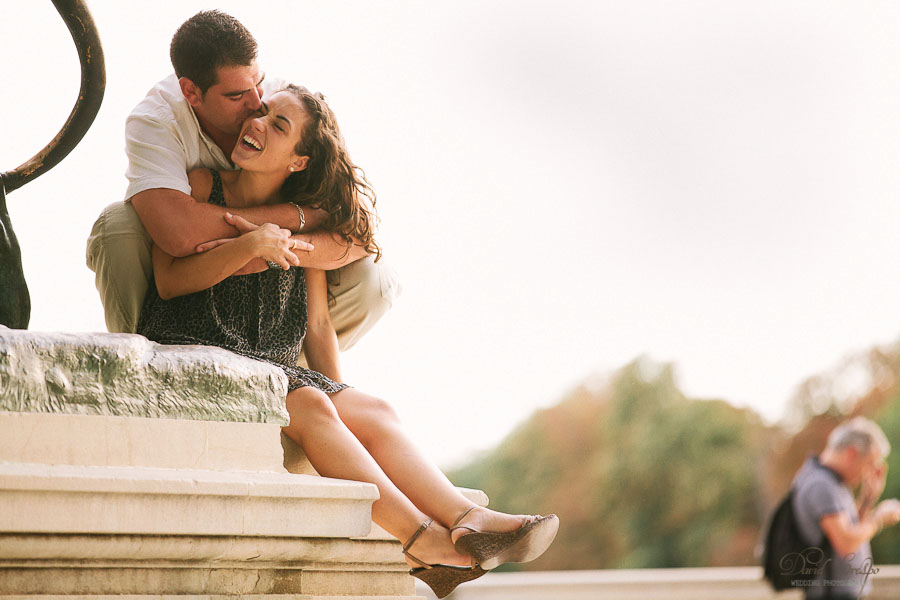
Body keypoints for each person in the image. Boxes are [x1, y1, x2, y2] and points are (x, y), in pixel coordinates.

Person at [136, 84, 559, 599]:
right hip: (197, 347)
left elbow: (316, 326)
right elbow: (168, 281)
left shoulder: (307, 222)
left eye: (278, 125)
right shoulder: (202, 185)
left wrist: (344, 409)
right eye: (264, 113)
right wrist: (250, 246)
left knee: (374, 408)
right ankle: (422, 542)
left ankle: (469, 519)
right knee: (312, 403)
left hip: (270, 364)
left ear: (299, 161)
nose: (257, 124)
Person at [85, 10, 399, 355]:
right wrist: (294, 219)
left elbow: (357, 229)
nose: (256, 104)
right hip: (185, 302)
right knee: (116, 225)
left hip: (277, 308)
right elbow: (179, 234)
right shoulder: (156, 121)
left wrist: (277, 250)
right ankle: (145, 364)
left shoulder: (281, 103)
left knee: (377, 281)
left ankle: (288, 374)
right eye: (236, 96)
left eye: (258, 83)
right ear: (191, 92)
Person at [791, 417, 900, 599]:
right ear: (851, 454)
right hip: (831, 593)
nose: (869, 472)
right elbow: (845, 542)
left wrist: (867, 499)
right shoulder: (821, 484)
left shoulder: (831, 480)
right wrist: (879, 518)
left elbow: (849, 527)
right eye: (869, 463)